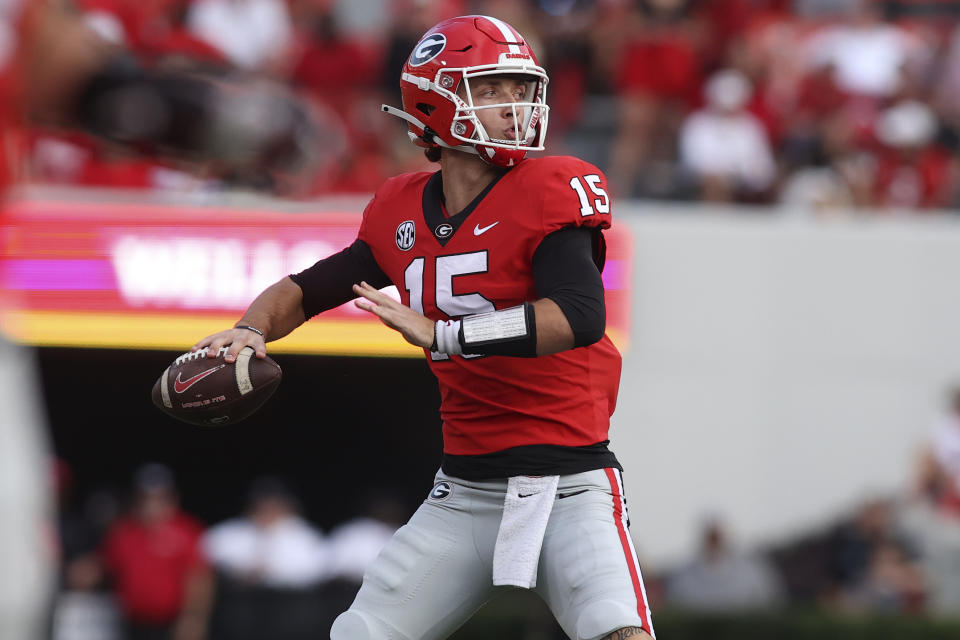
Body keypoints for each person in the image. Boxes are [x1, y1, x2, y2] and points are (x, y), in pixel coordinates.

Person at [193, 15, 654, 640]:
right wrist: (252, 329)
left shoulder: (551, 188)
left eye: (520, 87)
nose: (515, 103)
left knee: (616, 633)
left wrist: (445, 335)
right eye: (491, 89)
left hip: (569, 486)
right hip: (463, 493)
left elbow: (578, 315)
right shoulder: (399, 208)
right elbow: (306, 289)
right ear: (435, 104)